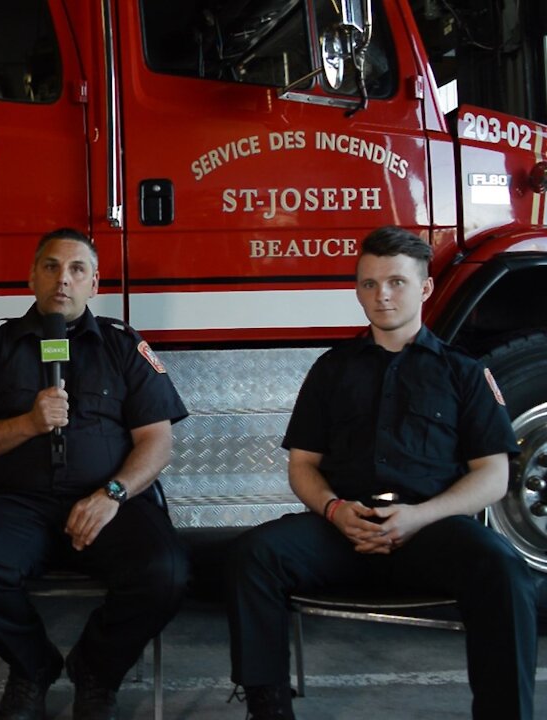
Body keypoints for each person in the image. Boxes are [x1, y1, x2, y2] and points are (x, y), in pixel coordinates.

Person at [226, 226, 538, 720]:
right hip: (342, 529)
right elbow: (303, 466)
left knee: (504, 570)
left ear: (425, 288)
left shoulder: (464, 373)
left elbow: (492, 476)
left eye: (395, 282)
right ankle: (268, 707)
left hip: (430, 531)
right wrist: (333, 509)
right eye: (368, 284)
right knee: (254, 556)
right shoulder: (332, 369)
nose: (381, 295)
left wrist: (419, 517)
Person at [0, 227, 190, 720]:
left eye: (77, 270)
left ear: (95, 284)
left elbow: (158, 441)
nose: (63, 279)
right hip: (16, 503)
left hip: (107, 502)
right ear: (31, 276)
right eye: (51, 266)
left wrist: (113, 493)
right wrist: (29, 423)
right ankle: (32, 667)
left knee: (168, 572)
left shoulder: (123, 346)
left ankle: (96, 672)